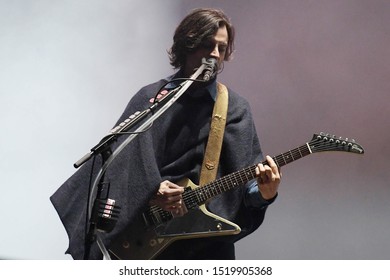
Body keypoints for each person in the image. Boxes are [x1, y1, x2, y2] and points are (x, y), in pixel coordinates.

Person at [50, 8, 281, 260]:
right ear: (187, 44)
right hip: (147, 243)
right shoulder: (151, 98)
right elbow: (117, 167)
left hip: (208, 247)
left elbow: (246, 186)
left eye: (221, 48)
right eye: (207, 45)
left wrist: (265, 193)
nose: (215, 54)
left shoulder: (235, 108)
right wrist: (151, 190)